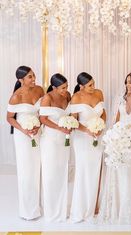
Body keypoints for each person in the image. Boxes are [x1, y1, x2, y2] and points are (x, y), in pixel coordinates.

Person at [97, 72, 131, 227]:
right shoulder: (121, 99)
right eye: (127, 82)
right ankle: (118, 209)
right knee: (120, 174)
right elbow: (116, 120)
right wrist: (116, 137)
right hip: (119, 141)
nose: (128, 85)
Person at [7, 65, 44, 220]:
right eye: (30, 77)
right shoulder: (16, 96)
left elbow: (43, 111)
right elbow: (9, 118)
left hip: (38, 133)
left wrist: (38, 126)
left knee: (38, 169)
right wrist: (24, 130)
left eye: (34, 75)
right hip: (23, 136)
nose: (34, 78)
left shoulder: (40, 90)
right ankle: (28, 210)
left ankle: (39, 205)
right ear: (20, 80)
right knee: (26, 172)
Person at [70, 72, 106, 223]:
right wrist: (88, 131)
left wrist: (100, 127)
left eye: (94, 83)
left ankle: (94, 206)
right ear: (81, 86)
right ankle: (82, 208)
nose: (93, 87)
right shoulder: (76, 97)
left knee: (96, 170)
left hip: (98, 136)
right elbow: (74, 121)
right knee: (84, 171)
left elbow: (103, 114)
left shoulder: (99, 93)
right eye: (90, 85)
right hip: (82, 139)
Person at [39, 73, 71, 222]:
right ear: (53, 87)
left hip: (65, 140)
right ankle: (51, 210)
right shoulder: (48, 98)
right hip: (51, 140)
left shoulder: (68, 95)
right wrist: (60, 127)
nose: (65, 90)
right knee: (50, 174)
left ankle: (62, 208)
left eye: (67, 87)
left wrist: (71, 124)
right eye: (62, 88)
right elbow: (43, 119)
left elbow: (71, 114)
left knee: (62, 171)